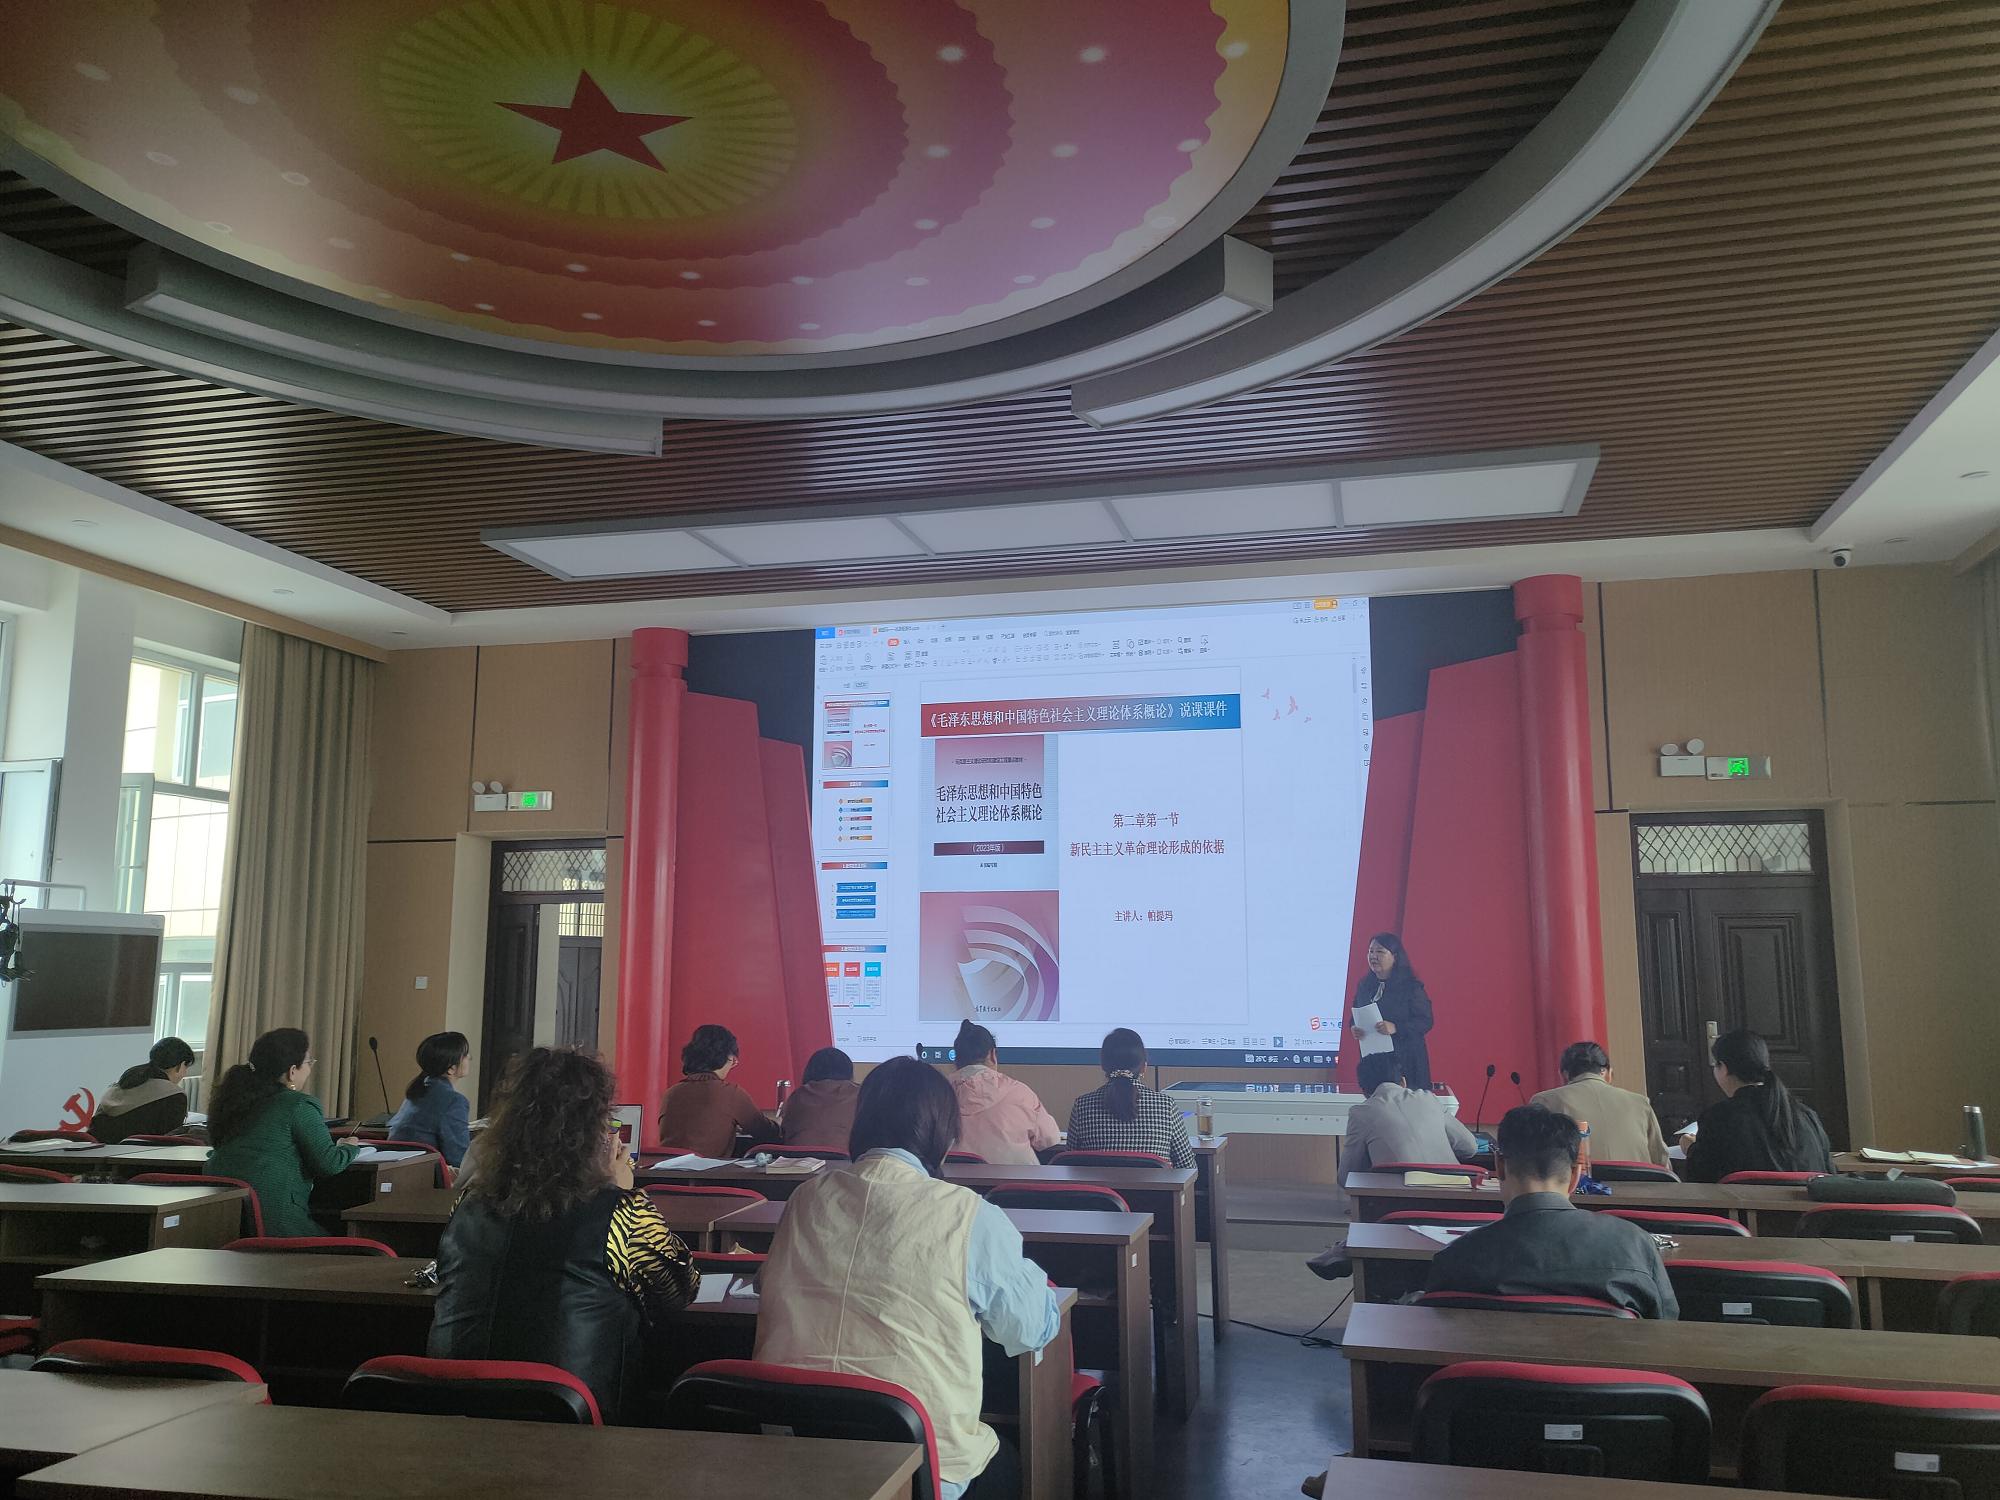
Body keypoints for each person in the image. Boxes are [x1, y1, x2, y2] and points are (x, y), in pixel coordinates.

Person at [758, 1055, 1060, 1500]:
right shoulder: (969, 1215)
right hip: (919, 1470)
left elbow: (767, 1284)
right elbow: (1029, 1330)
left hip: (794, 1460)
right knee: (1008, 1460)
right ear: (944, 1135)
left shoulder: (805, 1199)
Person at [430, 1047, 699, 1423]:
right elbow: (680, 1291)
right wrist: (619, 1190)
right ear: (595, 1130)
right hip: (572, 1423)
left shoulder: (469, 1204)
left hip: (454, 1415)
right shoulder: (620, 1211)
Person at [1424, 1104, 1679, 1319]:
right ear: (1576, 1175)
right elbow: (1665, 1326)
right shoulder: (1634, 1244)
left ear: (1499, 1167)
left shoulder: (1455, 1258)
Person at [205, 1028, 361, 1237]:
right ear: (292, 1071)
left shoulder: (235, 1100)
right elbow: (329, 1163)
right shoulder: (298, 1105)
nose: (310, 1069)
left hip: (221, 1223)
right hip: (277, 1224)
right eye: (309, 1062)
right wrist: (348, 1147)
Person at [1680, 1028, 1833, 1182]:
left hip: (1741, 1199)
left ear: (1724, 1068)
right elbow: (1828, 1172)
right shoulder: (1806, 1115)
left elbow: (1700, 1180)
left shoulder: (1717, 1117)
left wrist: (1691, 1149)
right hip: (1806, 1198)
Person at [1065, 1028, 1196, 1169]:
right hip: (1155, 1185)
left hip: (1100, 1184)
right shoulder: (1165, 1106)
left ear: (1103, 1065)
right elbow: (1187, 1166)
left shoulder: (1082, 1106)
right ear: (1144, 1067)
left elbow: (1070, 1163)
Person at [1530, 1040, 1672, 1169]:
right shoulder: (1640, 1102)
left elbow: (1531, 1161)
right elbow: (1661, 1161)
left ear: (1564, 1075)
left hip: (1579, 1187)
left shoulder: (1545, 1101)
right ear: (1608, 1072)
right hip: (1640, 1187)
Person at [1342, 1050, 1479, 1179]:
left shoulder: (1360, 1113)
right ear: (1403, 1082)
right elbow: (1470, 1147)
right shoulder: (1429, 1098)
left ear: (1364, 1091)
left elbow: (1346, 1177)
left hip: (1398, 1195)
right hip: (1454, 1191)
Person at [657, 1024, 781, 1160]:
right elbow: (768, 1133)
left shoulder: (670, 1094)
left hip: (662, 1170)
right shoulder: (731, 1094)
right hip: (706, 1172)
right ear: (728, 1058)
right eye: (733, 1059)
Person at [945, 1021, 1061, 1165]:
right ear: (992, 1054)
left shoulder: (936, 1095)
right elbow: (1049, 1139)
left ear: (956, 1059)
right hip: (1015, 1179)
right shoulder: (1020, 1092)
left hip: (951, 1179)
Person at [1348, 933, 1436, 1091]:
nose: (1373, 956)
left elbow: (1425, 1021)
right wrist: (1354, 1027)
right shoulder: (1365, 985)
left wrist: (1396, 1027)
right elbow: (1356, 1012)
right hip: (1375, 1060)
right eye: (1370, 951)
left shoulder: (1410, 987)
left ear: (1395, 956)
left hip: (1405, 1059)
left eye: (1380, 952)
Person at [384, 1031, 472, 1166]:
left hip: (402, 1170)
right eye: (465, 1055)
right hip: (427, 1174)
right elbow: (459, 1158)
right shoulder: (454, 1101)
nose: (469, 1057)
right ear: (451, 1069)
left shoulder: (419, 1090)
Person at [91, 1037, 195, 1142]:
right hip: (139, 1151)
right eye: (186, 1068)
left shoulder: (122, 1084)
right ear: (180, 1065)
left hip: (96, 1149)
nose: (184, 1073)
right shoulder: (174, 1096)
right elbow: (170, 1140)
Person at [782, 1046, 861, 1148]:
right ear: (849, 1071)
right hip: (844, 1156)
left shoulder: (798, 1095)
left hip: (798, 1156)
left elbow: (785, 1132)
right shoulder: (860, 1093)